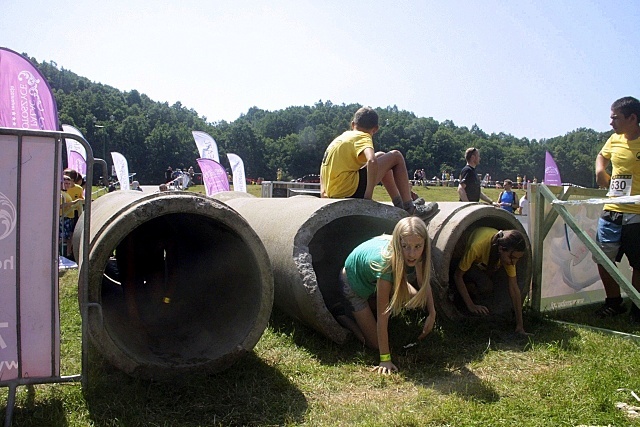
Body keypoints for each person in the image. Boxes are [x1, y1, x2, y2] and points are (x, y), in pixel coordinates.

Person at [338, 217, 436, 374]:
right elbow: (382, 315)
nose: (412, 254)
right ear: (398, 243)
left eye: (417, 246)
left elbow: (423, 282)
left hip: (373, 278)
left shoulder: (420, 254)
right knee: (375, 344)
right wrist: (385, 359)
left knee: (417, 300)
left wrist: (432, 313)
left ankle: (372, 300)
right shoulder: (386, 267)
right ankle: (345, 318)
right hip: (352, 284)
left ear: (424, 244)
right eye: (405, 246)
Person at [320, 107, 437, 220]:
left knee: (381, 155)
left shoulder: (341, 138)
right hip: (348, 190)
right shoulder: (363, 136)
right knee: (396, 156)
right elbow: (371, 160)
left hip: (333, 190)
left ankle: (399, 203)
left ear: (352, 124)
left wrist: (323, 191)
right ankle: (411, 208)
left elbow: (325, 163)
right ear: (375, 129)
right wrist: (368, 195)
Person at [593, 96, 640, 322]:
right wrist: (600, 170)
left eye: (615, 118)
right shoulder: (614, 139)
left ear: (633, 118)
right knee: (603, 258)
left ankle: (638, 308)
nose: (611, 122)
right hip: (612, 209)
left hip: (638, 214)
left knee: (638, 264)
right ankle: (614, 303)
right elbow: (602, 155)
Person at [452, 228, 529, 335]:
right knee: (481, 284)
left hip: (477, 264)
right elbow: (457, 276)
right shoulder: (477, 246)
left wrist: (520, 326)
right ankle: (457, 296)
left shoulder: (508, 256)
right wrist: (471, 305)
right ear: (501, 249)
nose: (513, 263)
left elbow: (514, 289)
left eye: (517, 259)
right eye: (512, 258)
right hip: (458, 253)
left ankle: (469, 292)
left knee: (487, 286)